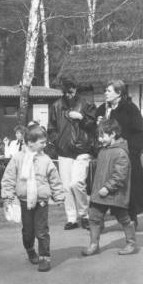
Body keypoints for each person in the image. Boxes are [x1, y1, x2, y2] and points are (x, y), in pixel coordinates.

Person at [1, 125, 64, 272]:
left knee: (42, 231)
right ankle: (30, 249)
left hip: (41, 201)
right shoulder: (18, 158)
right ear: (30, 142)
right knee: (28, 231)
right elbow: (9, 178)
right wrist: (8, 196)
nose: (44, 145)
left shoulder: (46, 159)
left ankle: (45, 258)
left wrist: (59, 195)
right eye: (41, 142)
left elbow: (54, 179)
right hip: (24, 201)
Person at [95, 80, 143, 228]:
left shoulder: (129, 109)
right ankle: (99, 220)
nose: (105, 93)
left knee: (127, 186)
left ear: (119, 93)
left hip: (126, 154)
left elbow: (139, 130)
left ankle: (131, 218)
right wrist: (98, 124)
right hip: (107, 154)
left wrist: (133, 151)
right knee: (105, 184)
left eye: (109, 91)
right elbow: (97, 132)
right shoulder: (102, 110)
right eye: (105, 90)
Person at [82, 118, 137, 256]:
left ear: (112, 133)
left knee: (123, 218)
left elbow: (120, 175)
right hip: (100, 193)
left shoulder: (120, 152)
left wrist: (108, 187)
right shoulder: (104, 150)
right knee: (94, 217)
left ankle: (131, 243)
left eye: (102, 136)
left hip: (114, 194)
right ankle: (94, 244)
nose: (100, 139)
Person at [48, 75, 97, 231]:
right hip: (64, 151)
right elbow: (51, 129)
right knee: (66, 187)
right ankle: (71, 218)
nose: (69, 94)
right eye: (66, 91)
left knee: (77, 183)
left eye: (72, 90)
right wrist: (58, 142)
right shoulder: (56, 106)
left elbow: (93, 126)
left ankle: (84, 215)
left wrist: (81, 118)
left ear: (76, 89)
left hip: (82, 149)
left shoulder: (86, 104)